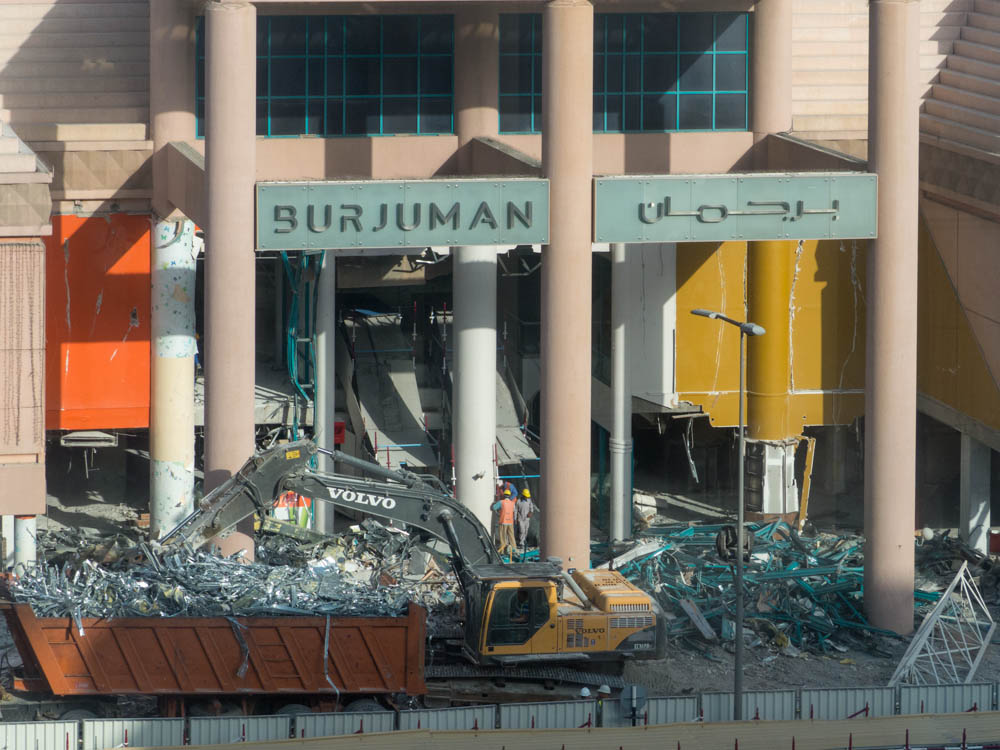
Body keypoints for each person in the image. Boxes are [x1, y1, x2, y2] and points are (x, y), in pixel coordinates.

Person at [491, 489, 517, 558]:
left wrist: (494, 503)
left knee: (503, 537)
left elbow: (493, 508)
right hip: (510, 522)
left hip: (503, 521)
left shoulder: (501, 502)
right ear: (509, 496)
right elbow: (514, 511)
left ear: (504, 495)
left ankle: (502, 552)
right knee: (511, 537)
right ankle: (515, 551)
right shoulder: (512, 503)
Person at [514, 488, 539, 554]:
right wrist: (515, 518)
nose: (527, 497)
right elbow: (515, 510)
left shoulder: (529, 501)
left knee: (526, 530)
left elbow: (532, 508)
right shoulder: (518, 501)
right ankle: (521, 543)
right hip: (520, 518)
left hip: (527, 519)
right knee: (522, 530)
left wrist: (530, 512)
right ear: (523, 495)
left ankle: (524, 541)